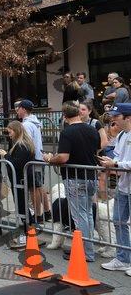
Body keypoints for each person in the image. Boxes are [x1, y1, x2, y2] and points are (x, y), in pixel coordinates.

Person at [43, 101, 100, 262]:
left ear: (64, 116)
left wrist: (49, 159)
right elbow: (96, 149)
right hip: (90, 176)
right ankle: (87, 250)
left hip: (75, 178)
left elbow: (63, 157)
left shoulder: (67, 132)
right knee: (87, 214)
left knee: (80, 217)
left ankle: (85, 252)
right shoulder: (92, 129)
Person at [98, 103, 131, 275]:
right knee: (118, 221)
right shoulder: (122, 135)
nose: (113, 119)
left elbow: (121, 161)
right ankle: (123, 259)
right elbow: (117, 156)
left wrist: (116, 164)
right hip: (123, 186)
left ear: (128, 117)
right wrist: (109, 162)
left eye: (117, 116)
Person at [0, 121, 35, 249]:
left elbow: (17, 163)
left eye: (10, 132)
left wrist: (5, 155)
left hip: (20, 180)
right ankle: (28, 231)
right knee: (22, 206)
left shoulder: (22, 145)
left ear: (16, 130)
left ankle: (26, 233)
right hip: (19, 179)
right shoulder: (21, 144)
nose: (9, 135)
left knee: (22, 206)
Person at [14, 99, 51, 223]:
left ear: (23, 109)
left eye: (18, 108)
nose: (17, 111)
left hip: (32, 159)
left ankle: (38, 215)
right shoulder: (35, 121)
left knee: (33, 188)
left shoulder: (26, 125)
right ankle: (47, 212)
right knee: (39, 186)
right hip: (38, 157)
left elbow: (27, 143)